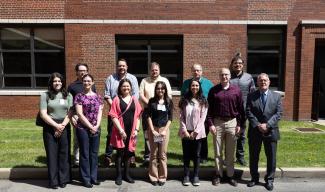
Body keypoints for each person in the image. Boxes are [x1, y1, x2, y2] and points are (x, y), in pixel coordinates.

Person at [207, 68, 244, 187]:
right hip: (217, 122)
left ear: (230, 76)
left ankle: (230, 175)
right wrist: (211, 124)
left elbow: (240, 110)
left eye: (226, 74)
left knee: (230, 152)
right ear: (219, 76)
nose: (224, 77)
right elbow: (209, 110)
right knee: (218, 152)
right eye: (222, 75)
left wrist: (239, 124)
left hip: (232, 122)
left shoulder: (236, 91)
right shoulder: (213, 91)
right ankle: (218, 174)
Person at [246, 73, 282, 191]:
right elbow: (248, 112)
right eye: (260, 80)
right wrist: (257, 125)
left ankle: (269, 180)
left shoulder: (276, 97)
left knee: (271, 157)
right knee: (254, 156)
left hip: (271, 131)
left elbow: (278, 113)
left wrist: (268, 125)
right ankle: (254, 178)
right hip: (255, 131)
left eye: (265, 80)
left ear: (269, 82)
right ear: (257, 82)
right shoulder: (251, 96)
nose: (263, 82)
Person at [39, 72, 72, 189]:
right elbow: (43, 114)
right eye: (54, 81)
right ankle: (53, 181)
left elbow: (70, 112)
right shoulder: (45, 95)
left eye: (59, 81)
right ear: (51, 83)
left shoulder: (67, 95)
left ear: (62, 82)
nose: (57, 83)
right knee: (52, 155)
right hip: (49, 126)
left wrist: (62, 126)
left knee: (64, 154)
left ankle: (63, 179)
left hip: (64, 125)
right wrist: (55, 126)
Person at [104, 58, 139, 167]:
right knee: (111, 134)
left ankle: (131, 155)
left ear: (127, 67)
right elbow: (107, 95)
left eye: (123, 66)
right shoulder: (110, 78)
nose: (121, 68)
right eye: (119, 66)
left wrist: (125, 108)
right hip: (114, 111)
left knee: (131, 134)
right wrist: (116, 106)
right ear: (117, 67)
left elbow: (135, 96)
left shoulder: (132, 78)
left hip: (129, 112)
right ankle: (109, 156)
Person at [109, 79, 142, 185]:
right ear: (120, 88)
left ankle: (127, 175)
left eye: (128, 86)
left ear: (131, 88)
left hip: (131, 130)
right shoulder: (116, 100)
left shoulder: (134, 100)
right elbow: (113, 117)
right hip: (120, 130)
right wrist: (121, 130)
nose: (126, 88)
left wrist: (136, 129)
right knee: (120, 153)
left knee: (128, 153)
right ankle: (118, 175)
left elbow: (138, 117)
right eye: (124, 86)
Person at [139, 62, 172, 166]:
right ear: (150, 70)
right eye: (153, 70)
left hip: (161, 113)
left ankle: (159, 156)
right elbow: (140, 94)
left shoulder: (164, 81)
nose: (154, 72)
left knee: (160, 133)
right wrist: (151, 104)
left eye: (156, 70)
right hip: (148, 111)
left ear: (159, 70)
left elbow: (169, 95)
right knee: (148, 134)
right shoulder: (144, 81)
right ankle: (148, 156)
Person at [74, 74, 103, 188]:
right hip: (83, 128)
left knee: (94, 154)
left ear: (93, 82)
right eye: (85, 81)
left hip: (96, 128)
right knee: (85, 154)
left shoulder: (98, 97)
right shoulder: (79, 96)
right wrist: (91, 126)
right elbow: (80, 114)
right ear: (82, 82)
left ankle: (93, 177)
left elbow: (100, 112)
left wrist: (97, 125)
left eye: (89, 81)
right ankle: (85, 179)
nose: (86, 83)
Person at [181, 64, 213, 163]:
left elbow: (212, 98)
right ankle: (191, 155)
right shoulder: (186, 83)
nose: (196, 72)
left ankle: (202, 156)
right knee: (190, 133)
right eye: (194, 70)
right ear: (191, 71)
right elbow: (183, 96)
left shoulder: (208, 83)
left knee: (202, 135)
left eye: (198, 70)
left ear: (202, 71)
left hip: (204, 113)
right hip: (190, 112)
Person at [178, 79, 208, 187]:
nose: (194, 87)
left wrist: (195, 132)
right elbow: (181, 117)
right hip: (186, 131)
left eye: (196, 85)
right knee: (186, 155)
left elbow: (203, 118)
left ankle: (195, 176)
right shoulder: (184, 100)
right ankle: (186, 175)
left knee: (197, 155)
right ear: (189, 87)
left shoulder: (203, 101)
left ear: (199, 87)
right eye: (192, 85)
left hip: (198, 132)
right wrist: (185, 130)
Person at [68, 63, 96, 167]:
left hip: (90, 118)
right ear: (76, 72)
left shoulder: (91, 84)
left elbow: (95, 102)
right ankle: (76, 161)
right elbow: (69, 104)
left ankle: (87, 159)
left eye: (84, 70)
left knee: (89, 139)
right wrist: (72, 117)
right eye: (80, 70)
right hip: (77, 117)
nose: (83, 72)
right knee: (77, 140)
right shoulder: (72, 86)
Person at [229, 53, 255, 166]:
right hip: (230, 110)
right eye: (235, 63)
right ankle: (230, 156)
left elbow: (253, 94)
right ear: (232, 65)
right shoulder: (228, 76)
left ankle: (240, 156)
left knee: (242, 134)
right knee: (230, 134)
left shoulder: (249, 77)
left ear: (243, 65)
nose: (237, 65)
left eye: (239, 63)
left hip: (244, 110)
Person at [147, 81, 173, 186]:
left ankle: (162, 177)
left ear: (165, 90)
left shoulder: (168, 101)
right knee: (153, 154)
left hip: (164, 130)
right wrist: (153, 130)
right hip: (154, 130)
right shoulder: (152, 101)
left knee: (162, 154)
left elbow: (170, 118)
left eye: (162, 88)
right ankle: (153, 176)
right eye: (158, 88)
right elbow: (148, 116)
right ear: (155, 90)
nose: (160, 90)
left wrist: (165, 130)